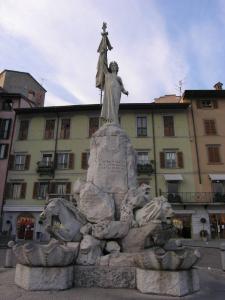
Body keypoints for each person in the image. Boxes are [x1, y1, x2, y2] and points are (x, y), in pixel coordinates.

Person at [96, 23, 128, 124]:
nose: (113, 67)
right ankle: (110, 121)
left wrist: (125, 91)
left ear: (117, 68)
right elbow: (103, 64)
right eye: (112, 66)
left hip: (117, 92)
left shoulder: (118, 77)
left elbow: (122, 87)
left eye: (115, 66)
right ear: (110, 67)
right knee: (109, 106)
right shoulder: (107, 75)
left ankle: (114, 121)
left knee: (115, 106)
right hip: (109, 92)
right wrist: (104, 50)